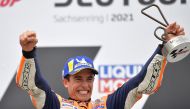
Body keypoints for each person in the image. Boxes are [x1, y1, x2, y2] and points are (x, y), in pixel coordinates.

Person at [16, 22, 185, 109]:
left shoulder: (108, 105)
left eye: (89, 78)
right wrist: (28, 53)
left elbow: (142, 84)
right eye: (78, 78)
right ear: (65, 81)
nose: (84, 85)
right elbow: (32, 85)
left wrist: (164, 47)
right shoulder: (55, 104)